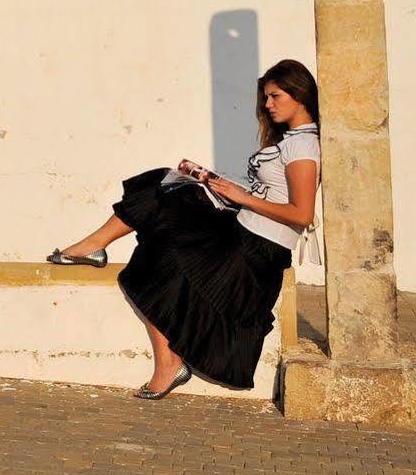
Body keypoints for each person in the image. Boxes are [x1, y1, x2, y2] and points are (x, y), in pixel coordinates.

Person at [46, 59, 320, 398]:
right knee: (166, 183)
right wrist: (224, 188)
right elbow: (276, 196)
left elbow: (302, 214)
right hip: (241, 233)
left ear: (299, 94)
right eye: (266, 97)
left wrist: (242, 198)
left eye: (275, 96)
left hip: (254, 252)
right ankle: (94, 248)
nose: (267, 105)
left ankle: (168, 363)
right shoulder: (293, 140)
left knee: (150, 260)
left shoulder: (303, 147)